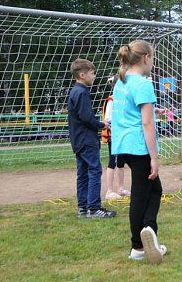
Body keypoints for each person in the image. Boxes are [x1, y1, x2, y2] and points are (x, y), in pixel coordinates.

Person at [112, 40, 165, 264]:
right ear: (145, 58)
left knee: (154, 190)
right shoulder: (143, 84)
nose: (153, 62)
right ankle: (139, 245)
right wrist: (153, 156)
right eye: (152, 58)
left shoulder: (120, 81)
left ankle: (148, 234)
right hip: (138, 146)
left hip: (122, 145)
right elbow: (147, 124)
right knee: (142, 195)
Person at [68, 58, 116, 219]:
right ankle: (94, 208)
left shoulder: (75, 91)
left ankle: (83, 208)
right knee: (94, 170)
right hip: (86, 139)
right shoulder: (81, 92)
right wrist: (102, 125)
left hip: (78, 139)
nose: (94, 76)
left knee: (83, 173)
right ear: (82, 74)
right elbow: (87, 118)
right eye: (92, 73)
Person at [101, 76, 129, 200]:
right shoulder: (112, 100)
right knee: (113, 161)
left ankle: (121, 188)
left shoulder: (123, 99)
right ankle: (109, 191)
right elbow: (107, 118)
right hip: (114, 135)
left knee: (121, 162)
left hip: (122, 134)